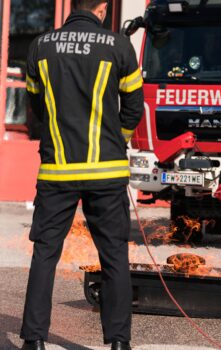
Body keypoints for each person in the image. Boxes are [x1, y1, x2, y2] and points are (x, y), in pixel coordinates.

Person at [21, 1, 144, 349]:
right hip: (106, 173)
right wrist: (114, 140)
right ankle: (119, 342)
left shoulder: (40, 46)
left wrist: (55, 136)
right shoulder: (119, 45)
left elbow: (36, 105)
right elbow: (134, 106)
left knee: (45, 253)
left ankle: (33, 340)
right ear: (103, 8)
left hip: (57, 170)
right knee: (114, 255)